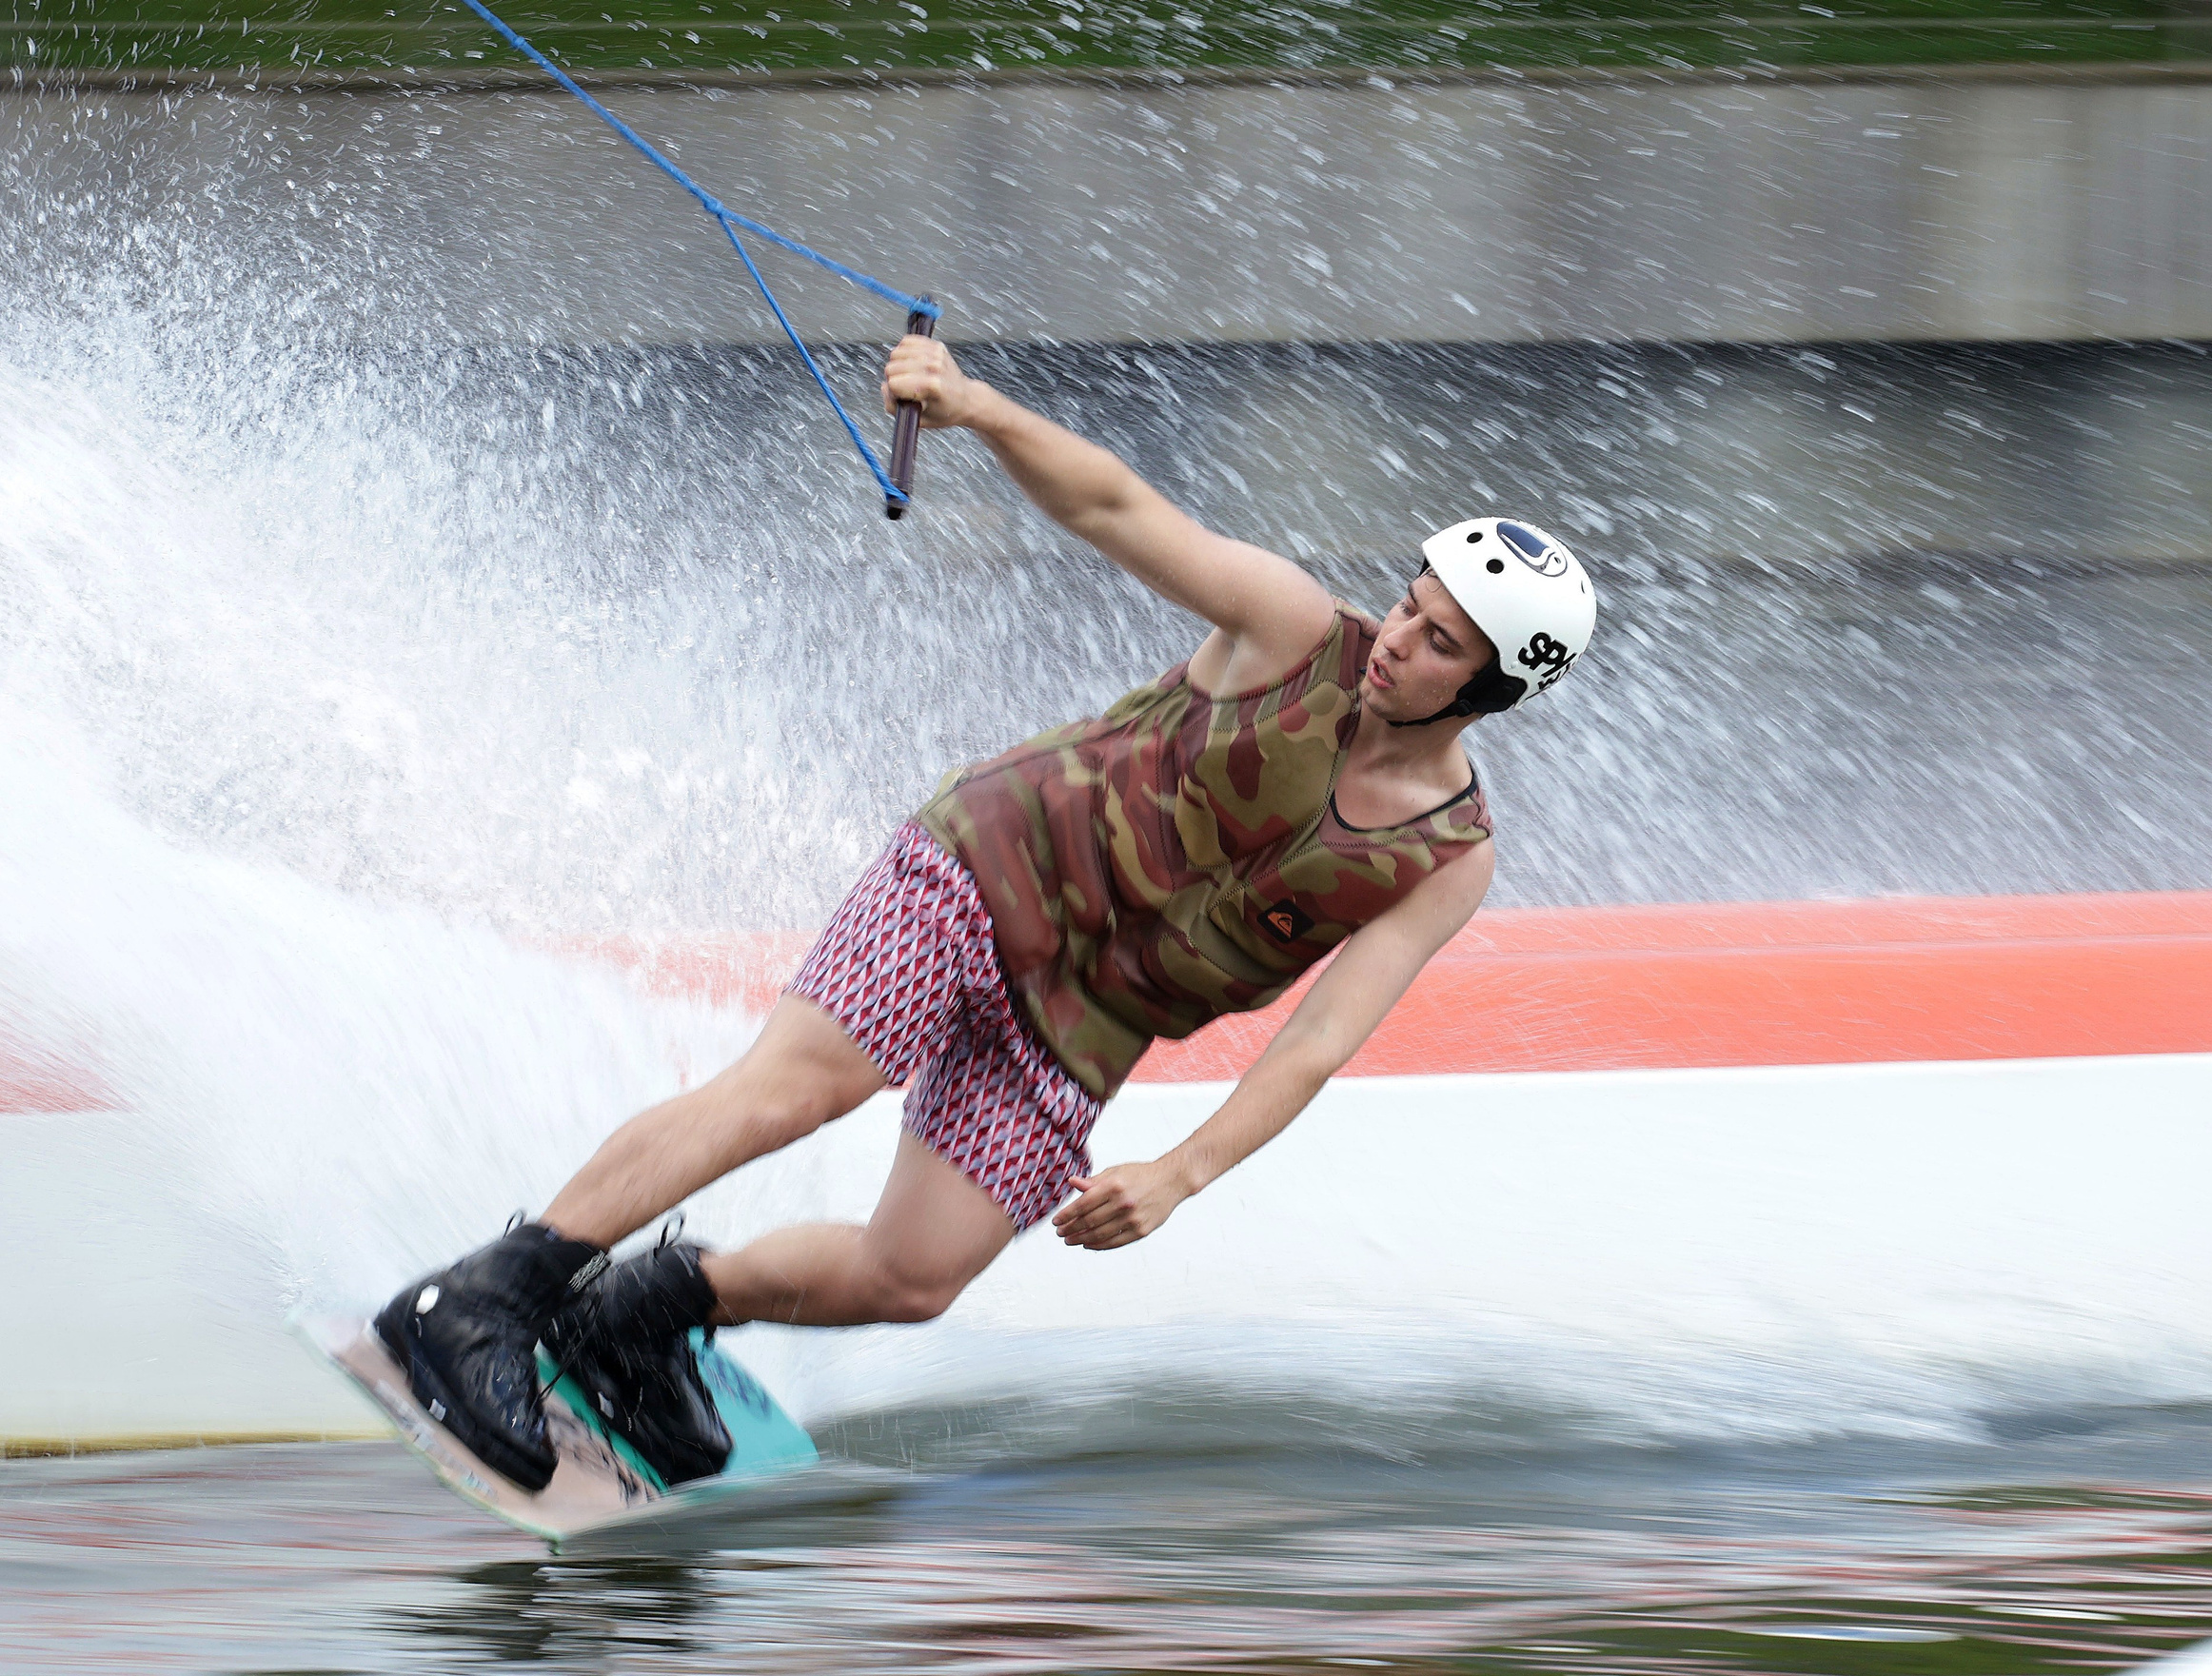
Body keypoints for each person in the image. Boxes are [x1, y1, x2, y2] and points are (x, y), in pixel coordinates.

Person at [376, 334, 1600, 1493]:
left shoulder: (1445, 859)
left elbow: (1321, 1040)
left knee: (913, 1277)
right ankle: (489, 1293)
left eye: (1437, 645)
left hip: (1078, 1026)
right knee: (804, 1085)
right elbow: (1119, 509)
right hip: (984, 869)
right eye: (1408, 605)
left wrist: (1179, 1174)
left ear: (1491, 691)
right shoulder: (1293, 633)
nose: (1397, 641)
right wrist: (976, 407)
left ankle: (645, 1317)